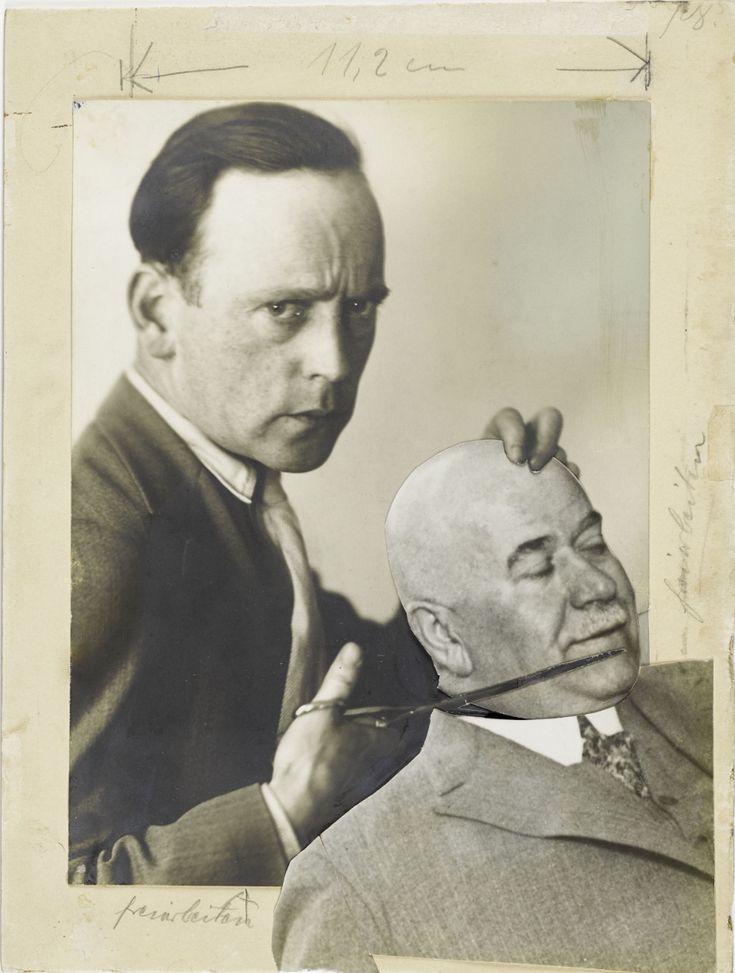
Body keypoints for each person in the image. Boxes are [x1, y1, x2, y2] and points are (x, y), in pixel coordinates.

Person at [69, 103, 570, 885]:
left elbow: (343, 681)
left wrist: (484, 531)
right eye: (284, 309)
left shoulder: (210, 481)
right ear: (156, 311)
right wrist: (282, 813)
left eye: (359, 307)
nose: (334, 362)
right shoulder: (92, 540)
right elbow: (37, 907)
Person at [273, 440, 714, 973]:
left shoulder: (717, 694)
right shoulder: (352, 885)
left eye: (593, 544)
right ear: (445, 636)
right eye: (538, 570)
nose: (600, 586)